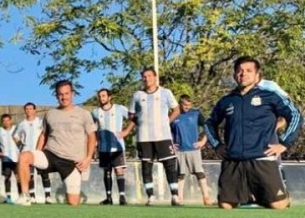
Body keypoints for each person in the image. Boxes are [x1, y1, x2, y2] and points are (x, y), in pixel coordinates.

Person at [204, 56, 301, 210]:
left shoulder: (270, 96)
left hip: (262, 158)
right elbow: (209, 124)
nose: (243, 74)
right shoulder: (226, 101)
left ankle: (275, 196)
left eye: (249, 71)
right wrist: (217, 145)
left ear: (257, 75)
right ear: (235, 75)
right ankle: (249, 196)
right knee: (225, 205)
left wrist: (284, 143)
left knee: (279, 206)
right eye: (239, 71)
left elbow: (295, 115)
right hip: (233, 160)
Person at [16, 80, 97, 207]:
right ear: (56, 95)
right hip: (51, 155)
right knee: (24, 157)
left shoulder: (84, 114)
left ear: (72, 94)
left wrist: (88, 158)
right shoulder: (50, 114)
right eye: (60, 94)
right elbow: (44, 135)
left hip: (72, 162)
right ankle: (25, 196)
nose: (63, 97)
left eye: (66, 93)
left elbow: (92, 137)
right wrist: (37, 152)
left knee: (73, 202)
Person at [129, 67, 181, 206]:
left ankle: (175, 196)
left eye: (149, 76)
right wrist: (140, 123)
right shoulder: (137, 95)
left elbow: (176, 110)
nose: (147, 79)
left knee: (170, 165)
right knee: (146, 166)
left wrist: (166, 121)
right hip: (144, 137)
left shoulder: (165, 92)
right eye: (144, 77)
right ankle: (150, 197)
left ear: (155, 77)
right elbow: (131, 114)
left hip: (163, 136)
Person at [92, 89, 134, 205]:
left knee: (119, 169)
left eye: (104, 96)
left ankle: (122, 196)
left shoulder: (119, 109)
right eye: (100, 96)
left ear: (109, 97)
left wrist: (126, 131)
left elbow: (133, 118)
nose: (102, 98)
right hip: (103, 147)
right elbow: (92, 129)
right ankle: (109, 197)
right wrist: (95, 141)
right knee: (107, 171)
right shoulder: (95, 112)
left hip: (117, 146)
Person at [171, 95, 214, 205]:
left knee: (200, 173)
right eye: (185, 105)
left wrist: (203, 141)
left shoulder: (196, 114)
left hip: (193, 150)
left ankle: (206, 198)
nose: (187, 107)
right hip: (179, 150)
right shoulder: (174, 115)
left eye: (189, 105)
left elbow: (209, 127)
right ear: (180, 104)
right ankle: (179, 199)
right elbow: (166, 131)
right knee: (180, 175)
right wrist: (171, 144)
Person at [14, 102, 52, 204]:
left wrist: (44, 146)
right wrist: (20, 145)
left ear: (35, 110)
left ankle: (48, 196)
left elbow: (46, 134)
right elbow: (15, 137)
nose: (28, 111)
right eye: (26, 109)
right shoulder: (22, 124)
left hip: (39, 152)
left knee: (44, 173)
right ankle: (32, 196)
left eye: (30, 109)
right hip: (27, 152)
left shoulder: (40, 122)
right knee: (29, 175)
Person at [0, 114, 19, 204]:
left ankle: (22, 196)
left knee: (19, 177)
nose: (6, 122)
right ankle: (8, 198)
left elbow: (22, 139)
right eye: (4, 121)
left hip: (17, 157)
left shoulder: (16, 129)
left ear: (11, 121)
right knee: (7, 176)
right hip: (6, 157)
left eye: (7, 120)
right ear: (2, 122)